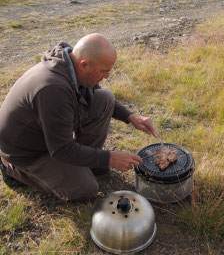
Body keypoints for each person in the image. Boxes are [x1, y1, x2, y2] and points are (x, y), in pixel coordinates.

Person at [0, 33, 156, 200]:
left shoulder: (71, 63)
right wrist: (108, 157)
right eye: (104, 71)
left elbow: (95, 91)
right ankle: (10, 168)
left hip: (48, 135)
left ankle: (86, 163)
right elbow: (61, 149)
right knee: (86, 189)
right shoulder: (53, 89)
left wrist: (131, 117)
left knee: (105, 98)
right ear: (84, 64)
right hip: (27, 151)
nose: (107, 77)